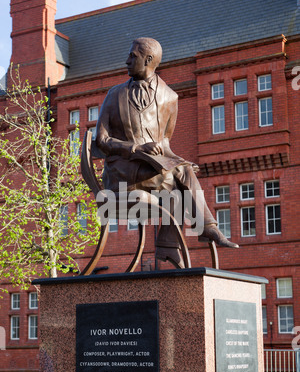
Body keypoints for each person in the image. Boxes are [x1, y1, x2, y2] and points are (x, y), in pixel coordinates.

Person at [94, 37, 238, 268]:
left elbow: (166, 144)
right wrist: (136, 148)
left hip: (152, 174)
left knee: (181, 176)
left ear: (148, 60)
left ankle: (172, 244)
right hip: (121, 175)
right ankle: (201, 230)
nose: (127, 61)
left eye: (133, 56)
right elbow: (100, 140)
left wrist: (177, 160)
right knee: (181, 178)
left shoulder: (170, 97)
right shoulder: (115, 94)